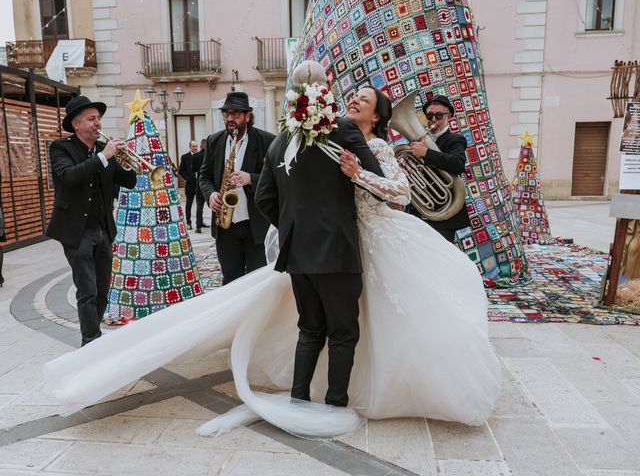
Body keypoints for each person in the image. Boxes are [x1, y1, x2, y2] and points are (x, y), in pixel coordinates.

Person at [43, 86, 501, 438]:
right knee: (334, 328)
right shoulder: (319, 139)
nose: (352, 102)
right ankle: (328, 400)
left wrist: (304, 222)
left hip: (356, 243)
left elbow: (392, 194)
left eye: (362, 100)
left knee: (336, 325)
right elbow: (285, 195)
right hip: (330, 250)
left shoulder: (310, 140)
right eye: (350, 97)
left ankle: (307, 394)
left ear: (378, 115)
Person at [254, 62, 385, 408]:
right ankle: (334, 404)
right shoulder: (343, 129)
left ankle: (298, 400)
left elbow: (263, 198)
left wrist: (292, 227)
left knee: (310, 329)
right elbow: (376, 179)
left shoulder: (280, 139)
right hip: (337, 249)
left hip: (298, 254)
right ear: (324, 89)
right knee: (343, 333)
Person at [46, 95, 137, 346]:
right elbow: (68, 176)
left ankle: (92, 334)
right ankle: (91, 342)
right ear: (76, 124)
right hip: (76, 231)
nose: (98, 123)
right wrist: (104, 158)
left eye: (98, 118)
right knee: (86, 290)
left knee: (102, 290)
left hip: (103, 230)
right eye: (92, 119)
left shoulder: (102, 150)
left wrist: (124, 159)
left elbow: (128, 182)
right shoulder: (61, 148)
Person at [199, 92, 275, 284]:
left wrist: (251, 178)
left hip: (255, 226)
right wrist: (211, 195)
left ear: (247, 116)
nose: (230, 119)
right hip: (226, 229)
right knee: (231, 281)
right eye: (226, 114)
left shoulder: (266, 141)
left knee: (256, 283)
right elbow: (204, 176)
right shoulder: (214, 141)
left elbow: (276, 178)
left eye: (235, 114)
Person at [408, 94, 470, 242]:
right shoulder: (418, 141)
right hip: (419, 209)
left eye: (438, 115)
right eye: (429, 116)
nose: (433, 120)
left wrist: (426, 153)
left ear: (448, 116)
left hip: (444, 213)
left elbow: (458, 164)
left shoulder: (455, 139)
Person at [179, 140, 208, 232]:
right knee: (189, 204)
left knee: (200, 204)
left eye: (196, 146)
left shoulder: (201, 155)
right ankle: (188, 223)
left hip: (200, 184)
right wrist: (187, 178)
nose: (195, 148)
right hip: (190, 184)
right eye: (193, 146)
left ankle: (200, 222)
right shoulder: (185, 157)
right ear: (190, 147)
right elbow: (181, 170)